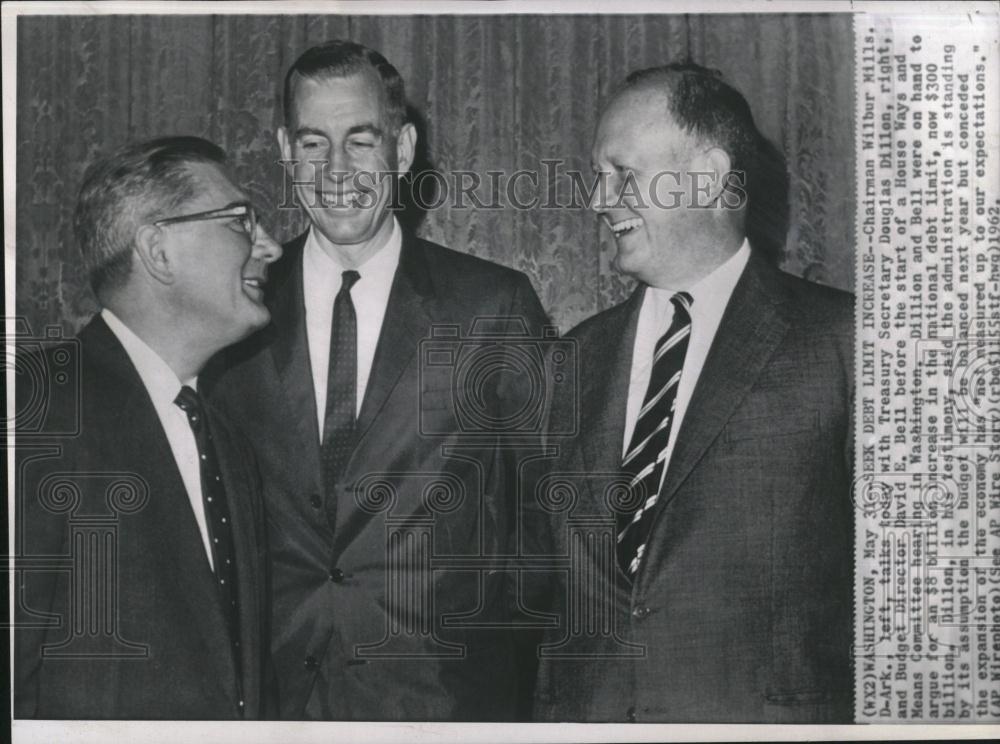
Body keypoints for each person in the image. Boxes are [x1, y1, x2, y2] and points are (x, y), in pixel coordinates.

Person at [207, 40, 549, 720]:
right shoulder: (229, 312)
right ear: (284, 149)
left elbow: (547, 518)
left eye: (360, 142)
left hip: (444, 702)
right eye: (312, 143)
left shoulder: (492, 307)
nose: (335, 169)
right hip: (274, 702)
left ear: (402, 148)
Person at [529, 64, 853, 723]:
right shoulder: (572, 358)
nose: (598, 200)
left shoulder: (843, 340)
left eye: (623, 174)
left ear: (706, 176)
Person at [14, 136, 282, 719]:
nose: (271, 246)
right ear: (158, 250)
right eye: (240, 221)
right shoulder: (35, 408)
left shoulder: (229, 444)